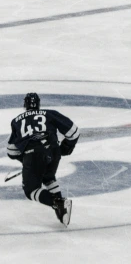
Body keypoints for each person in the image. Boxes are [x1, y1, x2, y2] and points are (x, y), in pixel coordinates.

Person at [7, 92, 79, 227]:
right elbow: (74, 131)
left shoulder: (16, 121)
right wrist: (66, 147)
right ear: (39, 105)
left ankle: (59, 203)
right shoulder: (50, 113)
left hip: (33, 153)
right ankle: (61, 210)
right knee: (47, 176)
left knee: (31, 191)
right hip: (53, 150)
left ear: (25, 105)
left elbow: (11, 151)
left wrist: (26, 159)